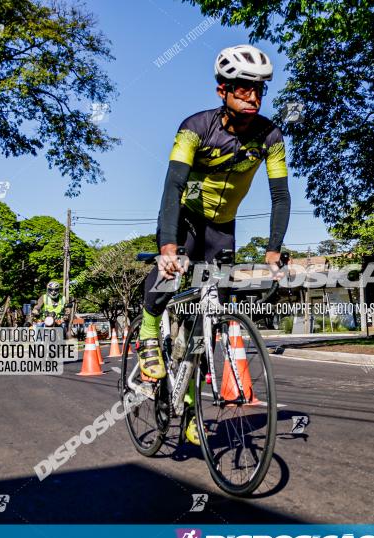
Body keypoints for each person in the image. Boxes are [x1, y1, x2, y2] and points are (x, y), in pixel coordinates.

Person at [137, 44, 291, 444]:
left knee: (203, 331)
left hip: (223, 229)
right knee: (169, 274)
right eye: (242, 88)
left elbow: (280, 196)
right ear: (222, 89)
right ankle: (149, 333)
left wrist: (273, 250)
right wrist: (168, 245)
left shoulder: (271, 136)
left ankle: (188, 410)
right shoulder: (195, 127)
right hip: (187, 218)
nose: (252, 96)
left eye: (259, 89)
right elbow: (172, 185)